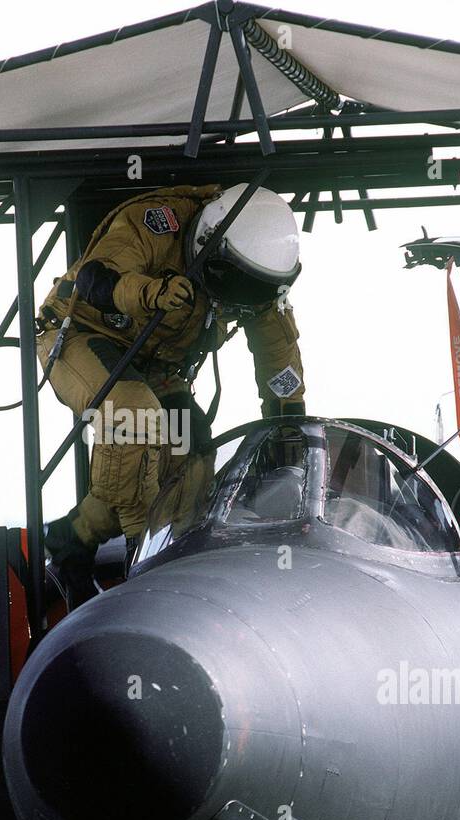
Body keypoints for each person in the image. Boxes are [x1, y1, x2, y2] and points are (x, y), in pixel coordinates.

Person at [36, 183, 307, 604]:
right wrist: (150, 293)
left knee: (191, 449)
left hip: (157, 365)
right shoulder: (156, 224)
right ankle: (139, 558)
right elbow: (96, 278)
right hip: (81, 337)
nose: (239, 301)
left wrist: (288, 422)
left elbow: (279, 356)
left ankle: (74, 539)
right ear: (208, 248)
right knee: (135, 417)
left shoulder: (254, 284)